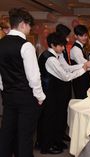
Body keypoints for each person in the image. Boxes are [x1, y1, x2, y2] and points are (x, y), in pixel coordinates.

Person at [37, 32, 90, 154]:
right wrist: (83, 69)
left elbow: (67, 68)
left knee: (54, 117)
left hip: (55, 92)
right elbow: (65, 76)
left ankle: (53, 141)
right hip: (48, 92)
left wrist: (84, 65)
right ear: (53, 45)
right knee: (48, 118)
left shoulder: (57, 55)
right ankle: (45, 146)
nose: (63, 48)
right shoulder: (50, 59)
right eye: (61, 46)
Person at [0, 8, 46, 157]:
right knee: (25, 137)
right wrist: (40, 97)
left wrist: (6, 88)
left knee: (7, 134)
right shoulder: (26, 46)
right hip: (26, 98)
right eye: (29, 25)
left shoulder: (1, 44)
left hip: (8, 97)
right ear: (22, 24)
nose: (30, 28)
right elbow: (34, 77)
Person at [70, 24, 90, 99]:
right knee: (81, 101)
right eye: (81, 36)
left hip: (83, 79)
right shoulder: (76, 49)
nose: (84, 38)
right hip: (79, 81)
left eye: (85, 35)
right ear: (76, 36)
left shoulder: (81, 47)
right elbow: (86, 66)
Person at [55, 23, 72, 142]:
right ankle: (58, 136)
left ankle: (61, 133)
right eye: (66, 36)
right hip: (59, 84)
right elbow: (65, 68)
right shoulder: (56, 52)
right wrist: (83, 67)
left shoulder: (64, 48)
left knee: (64, 109)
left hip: (66, 82)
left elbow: (67, 66)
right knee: (59, 111)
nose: (68, 39)